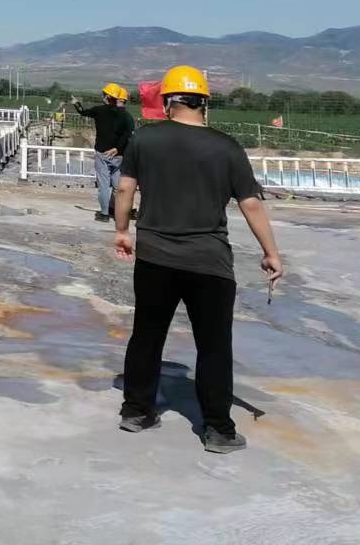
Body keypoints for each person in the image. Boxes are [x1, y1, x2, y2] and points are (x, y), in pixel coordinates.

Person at [113, 65, 283, 454]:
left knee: (147, 335)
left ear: (168, 102)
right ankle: (218, 430)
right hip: (210, 263)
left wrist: (122, 230)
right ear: (204, 102)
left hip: (155, 257)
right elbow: (251, 204)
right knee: (214, 346)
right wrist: (271, 253)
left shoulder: (145, 139)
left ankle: (137, 412)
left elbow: (124, 188)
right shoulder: (227, 147)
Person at [73, 83, 135, 220]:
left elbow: (83, 112)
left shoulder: (99, 110)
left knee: (103, 185)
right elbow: (128, 135)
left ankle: (104, 214)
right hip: (118, 155)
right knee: (117, 185)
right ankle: (120, 212)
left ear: (106, 97)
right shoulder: (124, 115)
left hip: (102, 153)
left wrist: (76, 103)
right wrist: (117, 148)